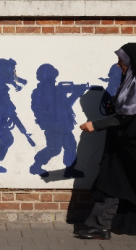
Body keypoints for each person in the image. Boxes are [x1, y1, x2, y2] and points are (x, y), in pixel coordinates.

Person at [78, 43, 136, 239]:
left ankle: (100, 225)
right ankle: (100, 225)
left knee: (113, 182)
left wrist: (96, 124)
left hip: (131, 145)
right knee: (112, 182)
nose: (119, 65)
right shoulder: (129, 82)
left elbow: (126, 117)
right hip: (121, 145)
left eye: (121, 61)